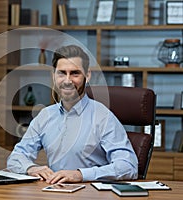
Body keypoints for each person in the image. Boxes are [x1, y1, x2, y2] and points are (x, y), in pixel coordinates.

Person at [7, 45, 138, 184]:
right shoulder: (45, 116)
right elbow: (16, 158)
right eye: (62, 73)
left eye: (75, 73)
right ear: (53, 76)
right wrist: (31, 168)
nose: (67, 81)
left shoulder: (103, 117)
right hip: (54, 192)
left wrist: (81, 175)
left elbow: (128, 166)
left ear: (87, 76)